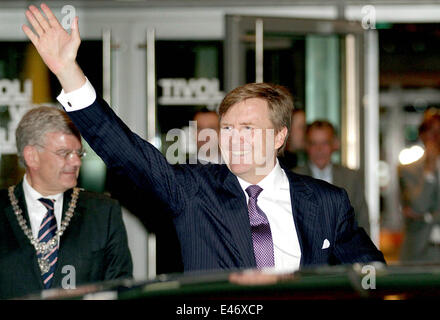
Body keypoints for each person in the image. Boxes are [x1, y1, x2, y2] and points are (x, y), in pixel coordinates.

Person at [22, 3, 385, 273]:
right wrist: (68, 72)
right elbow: (125, 151)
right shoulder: (195, 191)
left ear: (279, 136)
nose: (234, 139)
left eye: (248, 129)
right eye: (228, 129)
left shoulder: (327, 202)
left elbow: (371, 274)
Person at [0, 106, 132, 299]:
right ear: (32, 156)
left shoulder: (103, 213)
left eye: (78, 153)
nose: (76, 162)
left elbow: (120, 289)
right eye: (64, 153)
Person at [294, 120, 370, 234]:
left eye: (324, 143)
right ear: (306, 145)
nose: (319, 150)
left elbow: (363, 222)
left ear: (335, 144)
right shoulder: (293, 179)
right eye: (313, 143)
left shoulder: (351, 178)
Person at [399, 111, 440, 262]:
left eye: (439, 132)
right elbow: (419, 206)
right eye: (431, 132)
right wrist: (429, 169)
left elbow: (420, 213)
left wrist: (427, 217)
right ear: (422, 136)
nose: (435, 138)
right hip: (419, 253)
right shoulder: (408, 170)